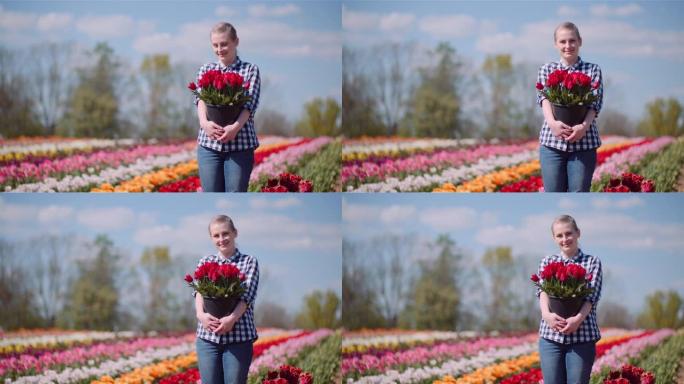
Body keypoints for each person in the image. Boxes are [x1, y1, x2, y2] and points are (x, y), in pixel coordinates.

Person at [536, 22, 603, 192]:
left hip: (584, 142)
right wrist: (552, 123)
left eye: (572, 40)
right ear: (556, 44)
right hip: (552, 142)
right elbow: (543, 98)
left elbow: (595, 103)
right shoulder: (547, 69)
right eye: (563, 41)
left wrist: (583, 127)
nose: (568, 46)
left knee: (579, 193)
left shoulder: (593, 70)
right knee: (552, 194)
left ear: (580, 41)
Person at [194, 22, 261, 192]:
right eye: (215, 45)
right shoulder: (206, 69)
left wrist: (235, 128)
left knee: (236, 193)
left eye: (224, 44)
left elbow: (249, 105)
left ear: (236, 42)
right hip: (209, 143)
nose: (219, 49)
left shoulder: (250, 70)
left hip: (240, 144)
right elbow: (200, 99)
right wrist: (204, 123)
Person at [536, 215, 602, 384]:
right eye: (559, 235)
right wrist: (546, 315)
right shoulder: (548, 261)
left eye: (568, 233)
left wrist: (577, 320)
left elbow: (591, 297)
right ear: (554, 238)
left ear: (578, 233)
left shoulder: (592, 262)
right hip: (551, 335)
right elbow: (542, 291)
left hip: (582, 336)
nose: (565, 239)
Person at [193, 215, 259, 384]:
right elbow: (199, 292)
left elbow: (246, 297)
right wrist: (200, 314)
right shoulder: (205, 261)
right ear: (211, 238)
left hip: (238, 338)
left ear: (235, 233)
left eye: (225, 233)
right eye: (216, 235)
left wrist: (231, 319)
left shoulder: (249, 262)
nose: (221, 239)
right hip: (208, 337)